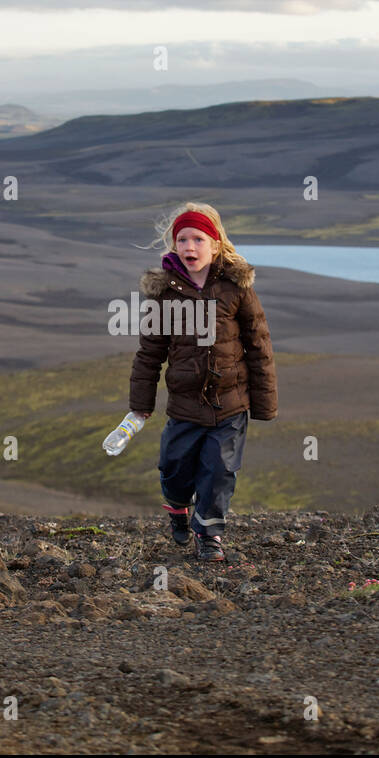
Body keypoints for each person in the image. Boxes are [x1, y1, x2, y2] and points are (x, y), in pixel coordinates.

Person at [128, 202, 277, 562]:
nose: (190, 246)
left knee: (220, 470)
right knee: (174, 467)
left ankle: (209, 534)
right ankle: (178, 506)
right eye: (182, 239)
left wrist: (264, 403)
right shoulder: (164, 293)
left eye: (198, 238)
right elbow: (150, 354)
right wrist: (140, 405)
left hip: (230, 402)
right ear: (174, 244)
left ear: (215, 243)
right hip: (184, 405)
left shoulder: (236, 286)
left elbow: (259, 344)